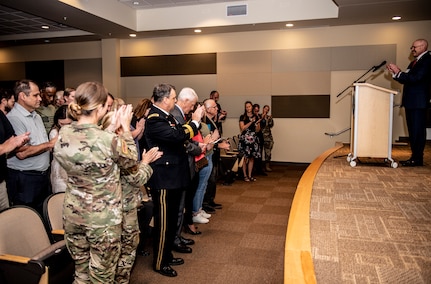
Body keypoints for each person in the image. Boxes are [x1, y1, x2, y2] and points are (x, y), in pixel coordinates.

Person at [53, 82, 138, 283]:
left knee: (81, 274)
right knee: (102, 276)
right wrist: (125, 129)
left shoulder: (64, 134)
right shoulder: (107, 139)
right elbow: (131, 160)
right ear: (99, 108)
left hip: (73, 216)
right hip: (102, 221)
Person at [144, 83, 204, 277]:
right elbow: (176, 135)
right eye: (173, 97)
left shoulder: (166, 116)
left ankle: (167, 255)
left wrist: (191, 126)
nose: (175, 100)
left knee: (170, 221)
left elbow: (179, 136)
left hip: (173, 177)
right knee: (163, 223)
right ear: (165, 99)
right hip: (163, 179)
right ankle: (160, 262)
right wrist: (194, 122)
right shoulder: (154, 118)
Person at [100, 111, 162, 284]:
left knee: (108, 257)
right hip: (123, 208)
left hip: (106, 208)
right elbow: (136, 178)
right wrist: (146, 162)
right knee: (125, 251)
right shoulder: (119, 148)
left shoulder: (100, 146)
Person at [6, 79, 57, 214]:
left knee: (42, 215)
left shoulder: (36, 115)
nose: (40, 98)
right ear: (22, 96)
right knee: (26, 217)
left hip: (41, 176)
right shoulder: (14, 118)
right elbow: (22, 153)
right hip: (24, 179)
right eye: (35, 95)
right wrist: (49, 144)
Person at [387, 38, 431, 167]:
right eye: (412, 47)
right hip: (411, 102)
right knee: (412, 131)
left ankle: (417, 159)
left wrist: (399, 72)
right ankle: (415, 157)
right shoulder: (414, 62)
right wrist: (396, 73)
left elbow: (416, 78)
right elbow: (407, 78)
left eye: (415, 47)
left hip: (418, 103)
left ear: (423, 47)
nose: (412, 50)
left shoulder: (427, 61)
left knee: (417, 131)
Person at [170, 87, 203, 254]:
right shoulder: (176, 115)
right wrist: (198, 149)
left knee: (181, 205)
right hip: (179, 167)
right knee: (178, 206)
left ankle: (177, 235)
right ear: (185, 101)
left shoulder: (179, 114)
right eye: (192, 105)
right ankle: (174, 239)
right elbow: (181, 141)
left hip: (183, 166)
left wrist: (197, 145)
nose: (193, 108)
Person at [201, 99, 230, 213]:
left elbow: (215, 136)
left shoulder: (212, 120)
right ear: (207, 109)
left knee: (213, 179)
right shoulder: (205, 122)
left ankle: (210, 200)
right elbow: (207, 141)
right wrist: (219, 145)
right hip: (209, 153)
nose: (217, 109)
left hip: (213, 153)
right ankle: (206, 203)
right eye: (214, 107)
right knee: (209, 180)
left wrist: (221, 141)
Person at [0, 106, 29, 211]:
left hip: (1, 182)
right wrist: (3, 148)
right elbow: (6, 146)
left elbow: (11, 137)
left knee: (5, 221)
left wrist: (18, 142)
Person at [49, 105, 74, 193]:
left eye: (68, 124)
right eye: (62, 124)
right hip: (60, 171)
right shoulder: (54, 133)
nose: (65, 127)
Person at [238, 101, 261, 182]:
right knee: (244, 158)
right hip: (245, 139)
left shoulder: (256, 116)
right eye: (246, 107)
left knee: (251, 158)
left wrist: (257, 123)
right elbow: (242, 128)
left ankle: (250, 175)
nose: (248, 108)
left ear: (252, 107)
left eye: (249, 106)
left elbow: (258, 130)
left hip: (253, 139)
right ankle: (244, 175)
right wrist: (251, 121)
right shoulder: (242, 117)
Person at [261, 105, 274, 171]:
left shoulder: (269, 117)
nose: (266, 110)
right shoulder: (259, 116)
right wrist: (262, 118)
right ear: (263, 109)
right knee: (258, 152)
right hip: (260, 137)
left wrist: (270, 120)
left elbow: (271, 125)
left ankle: (267, 166)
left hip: (268, 137)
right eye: (265, 108)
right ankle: (258, 167)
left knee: (268, 152)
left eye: (268, 109)